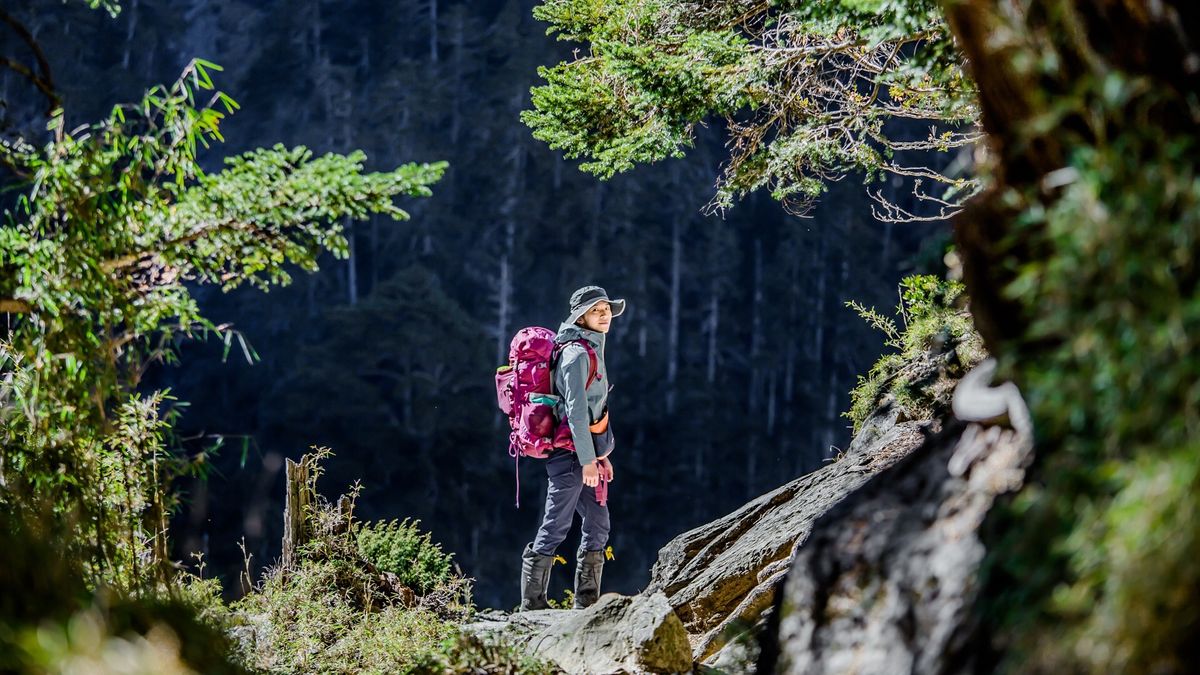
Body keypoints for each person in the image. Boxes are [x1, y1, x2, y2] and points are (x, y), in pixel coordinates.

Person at [519, 285, 624, 611]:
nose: (605, 314)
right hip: (569, 456)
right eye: (597, 310)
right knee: (557, 523)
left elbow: (594, 410)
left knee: (598, 522)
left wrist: (599, 457)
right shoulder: (576, 354)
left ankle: (586, 603)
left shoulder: (590, 349)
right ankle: (531, 604)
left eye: (606, 308)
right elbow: (577, 411)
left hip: (586, 454)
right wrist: (588, 460)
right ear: (581, 316)